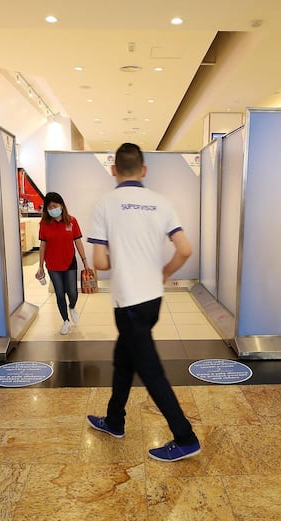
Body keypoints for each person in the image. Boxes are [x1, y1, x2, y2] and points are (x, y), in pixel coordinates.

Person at [85, 143, 201, 462]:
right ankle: (114, 420)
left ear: (113, 171)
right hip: (152, 300)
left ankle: (185, 437)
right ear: (144, 170)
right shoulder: (161, 203)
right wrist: (164, 271)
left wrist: (117, 254)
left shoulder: (105, 204)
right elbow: (185, 249)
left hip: (128, 303)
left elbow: (100, 262)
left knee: (151, 373)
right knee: (123, 360)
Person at [37, 192, 89, 335]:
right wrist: (40, 266)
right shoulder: (44, 224)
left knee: (72, 292)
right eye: (49, 207)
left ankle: (72, 307)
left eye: (55, 205)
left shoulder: (72, 221)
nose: (52, 209)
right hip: (53, 264)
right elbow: (43, 246)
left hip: (69, 262)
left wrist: (85, 261)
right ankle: (65, 321)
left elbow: (78, 241)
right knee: (60, 294)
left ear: (61, 205)